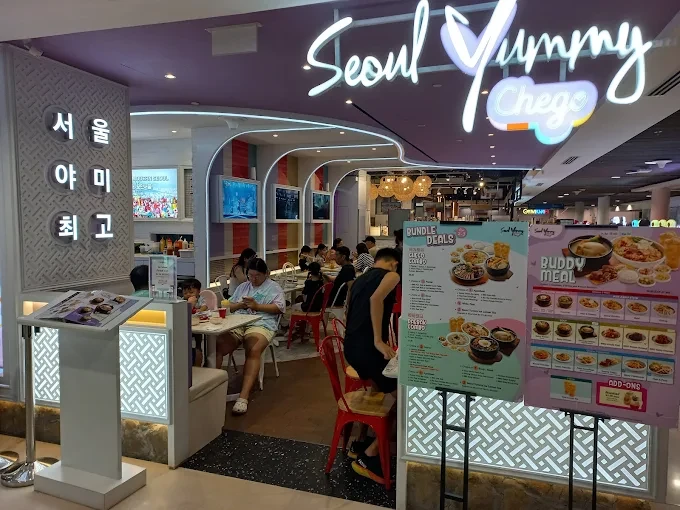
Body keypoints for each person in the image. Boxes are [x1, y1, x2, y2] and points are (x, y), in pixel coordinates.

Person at [343, 248, 401, 484]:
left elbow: (349, 312)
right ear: (394, 264)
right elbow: (375, 300)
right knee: (404, 397)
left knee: (380, 386)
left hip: (352, 348)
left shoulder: (360, 278)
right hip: (368, 349)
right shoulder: (392, 275)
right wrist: (378, 340)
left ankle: (360, 441)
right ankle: (370, 455)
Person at [216, 258, 285, 415]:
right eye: (250, 275)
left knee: (253, 348)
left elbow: (279, 308)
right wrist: (240, 305)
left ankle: (243, 396)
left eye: (257, 276)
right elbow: (230, 305)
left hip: (262, 323)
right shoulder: (243, 287)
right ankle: (212, 389)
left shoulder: (273, 288)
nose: (253, 279)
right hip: (238, 322)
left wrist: (257, 306)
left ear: (266, 274)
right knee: (218, 345)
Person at [183, 278, 209, 367]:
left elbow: (205, 306)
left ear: (198, 292)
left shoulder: (200, 299)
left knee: (198, 344)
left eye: (191, 292)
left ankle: (198, 365)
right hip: (187, 326)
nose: (188, 295)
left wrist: (199, 310)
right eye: (185, 293)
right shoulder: (183, 301)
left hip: (198, 324)